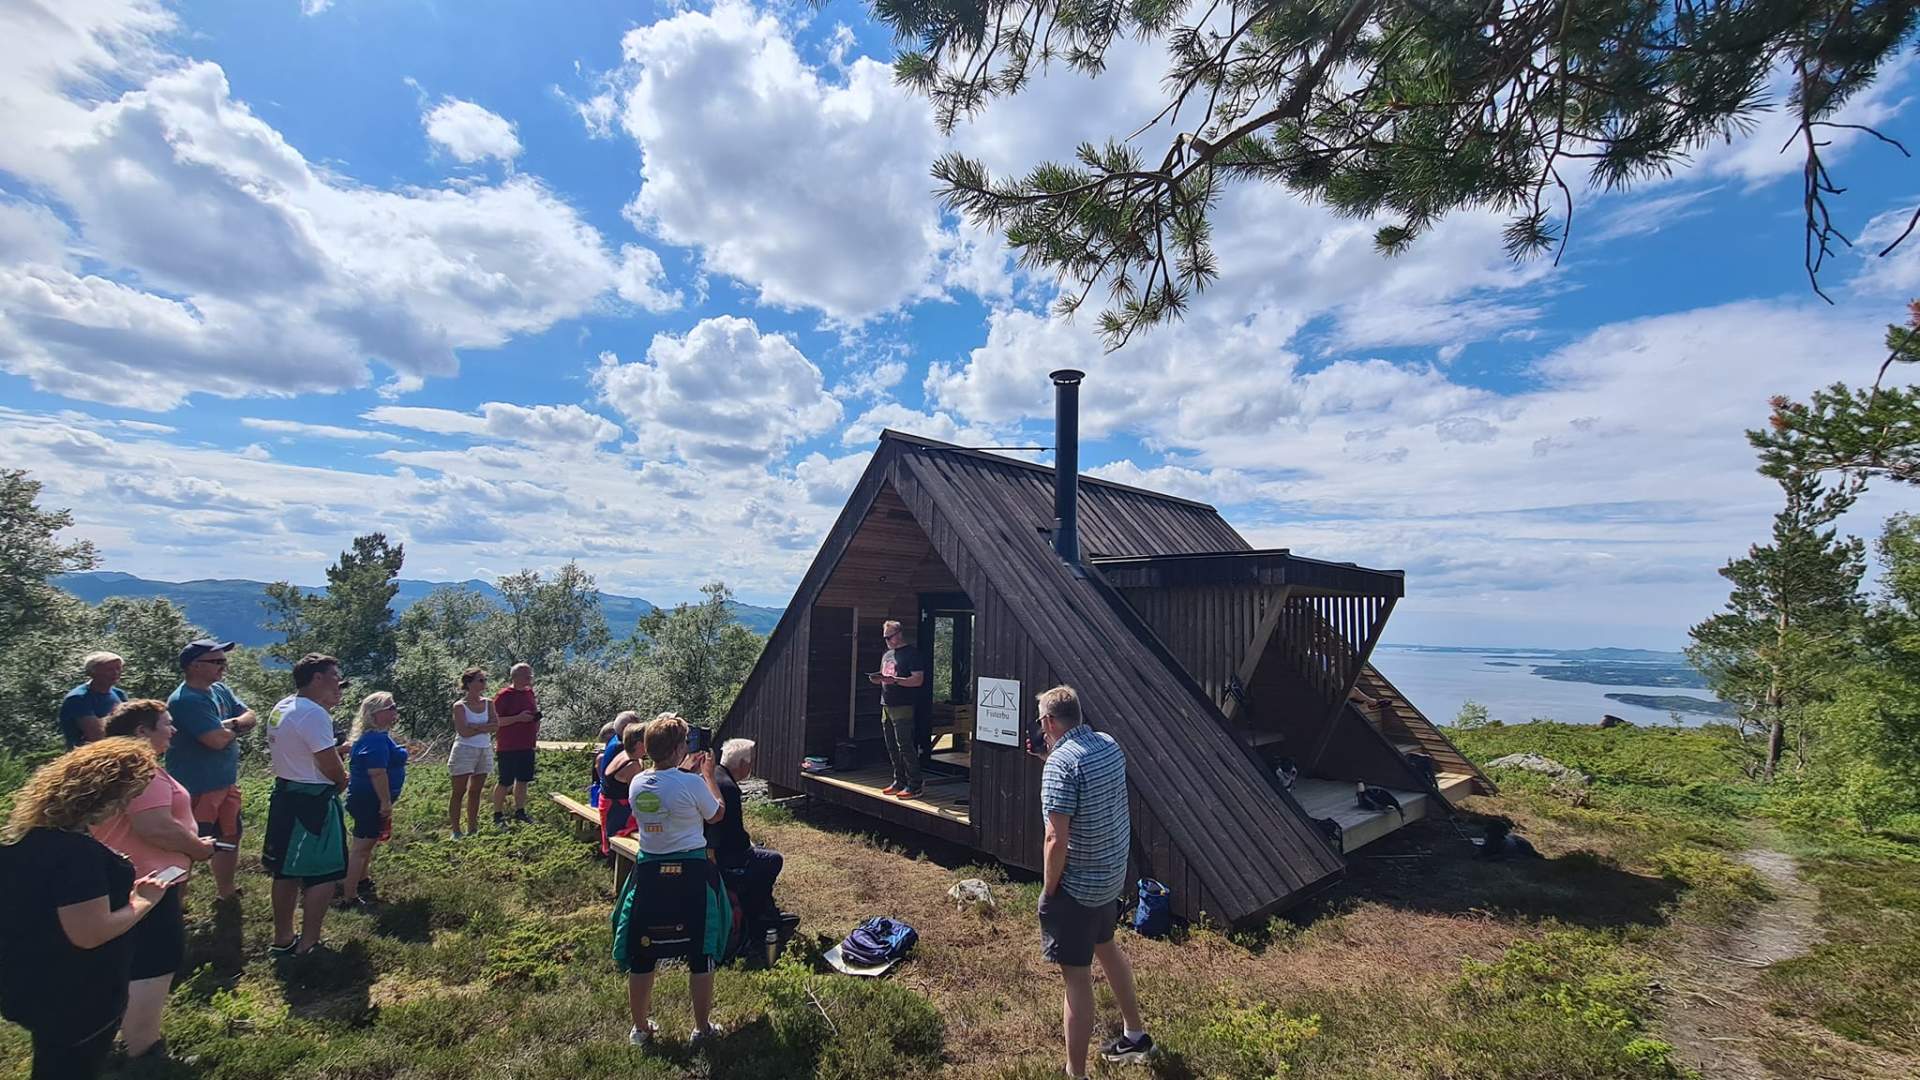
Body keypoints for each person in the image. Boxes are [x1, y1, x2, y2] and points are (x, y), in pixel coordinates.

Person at [0, 739, 182, 1080]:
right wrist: (143, 900)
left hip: (28, 978)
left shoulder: (21, 840)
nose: (127, 805)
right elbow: (89, 933)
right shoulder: (77, 855)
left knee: (52, 1060)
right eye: (128, 795)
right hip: (78, 994)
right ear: (107, 795)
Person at [1035, 685, 1152, 1078]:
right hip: (1110, 875)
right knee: (1106, 946)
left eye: (1041, 722)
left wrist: (1050, 890)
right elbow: (1090, 792)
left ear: (1050, 721)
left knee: (1076, 979)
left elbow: (1056, 839)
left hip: (1077, 887)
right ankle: (1135, 1034)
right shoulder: (1107, 744)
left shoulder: (1060, 764)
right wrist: (1049, 760)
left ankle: (1075, 1073)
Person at [92, 700, 215, 1063]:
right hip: (151, 881)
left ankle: (115, 1040)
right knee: (154, 962)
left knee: (126, 963)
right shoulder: (140, 770)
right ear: (142, 732)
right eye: (167, 724)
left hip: (124, 877)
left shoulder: (112, 766)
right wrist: (199, 849)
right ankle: (145, 1053)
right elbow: (154, 826)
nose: (173, 731)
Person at [621, 713, 727, 1048]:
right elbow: (716, 813)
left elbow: (666, 787)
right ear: (679, 748)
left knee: (643, 950)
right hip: (691, 871)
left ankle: (640, 1028)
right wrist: (708, 776)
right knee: (700, 949)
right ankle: (702, 1027)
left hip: (649, 872)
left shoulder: (638, 781)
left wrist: (687, 775)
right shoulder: (692, 783)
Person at [261, 653, 350, 956]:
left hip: (285, 790)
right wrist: (341, 779)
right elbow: (327, 761)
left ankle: (283, 938)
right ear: (317, 679)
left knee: (285, 870)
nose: (340, 684)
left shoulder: (282, 706)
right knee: (322, 873)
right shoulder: (314, 713)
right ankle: (310, 943)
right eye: (335, 677)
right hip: (312, 799)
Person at [166, 639, 257, 901]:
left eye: (223, 660)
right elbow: (215, 741)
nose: (224, 666)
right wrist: (233, 727)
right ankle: (174, 903)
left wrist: (227, 725)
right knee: (188, 844)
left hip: (224, 782)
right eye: (216, 661)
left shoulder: (219, 689)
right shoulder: (186, 700)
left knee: (229, 836)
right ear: (194, 666)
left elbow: (250, 716)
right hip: (195, 787)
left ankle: (226, 891)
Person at [341, 692, 411, 908]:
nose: (394, 711)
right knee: (361, 848)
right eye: (390, 708)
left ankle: (362, 881)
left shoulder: (376, 736)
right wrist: (385, 802)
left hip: (365, 799)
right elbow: (377, 773)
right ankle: (349, 896)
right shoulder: (376, 739)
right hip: (370, 800)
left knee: (367, 843)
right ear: (375, 714)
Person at [708, 738, 785, 928]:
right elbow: (736, 839)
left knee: (758, 851)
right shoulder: (729, 788)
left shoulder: (714, 775)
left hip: (712, 848)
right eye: (751, 762)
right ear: (743, 764)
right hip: (726, 856)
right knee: (773, 859)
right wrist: (750, 846)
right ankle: (755, 911)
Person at [868, 620, 925, 799]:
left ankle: (915, 784)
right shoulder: (887, 654)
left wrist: (897, 681)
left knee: (905, 745)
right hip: (886, 704)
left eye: (889, 637)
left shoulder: (912, 654)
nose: (886, 640)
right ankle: (898, 780)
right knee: (891, 746)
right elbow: (885, 676)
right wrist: (878, 679)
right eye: (884, 637)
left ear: (899, 634)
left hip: (903, 705)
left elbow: (918, 680)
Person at [448, 668, 497, 839]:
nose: (484, 684)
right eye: (480, 680)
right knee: (459, 791)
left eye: (484, 680)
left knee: (476, 790)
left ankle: (473, 829)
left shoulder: (489, 703)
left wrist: (476, 727)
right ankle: (455, 830)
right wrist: (484, 728)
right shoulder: (459, 706)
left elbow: (495, 725)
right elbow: (463, 732)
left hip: (484, 749)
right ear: (469, 683)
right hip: (464, 750)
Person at [491, 662, 541, 826]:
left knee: (523, 780)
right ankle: (497, 814)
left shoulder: (529, 693)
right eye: (527, 675)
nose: (530, 678)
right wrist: (518, 718)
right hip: (508, 746)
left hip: (527, 744)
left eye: (530, 675)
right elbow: (495, 722)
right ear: (515, 676)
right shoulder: (504, 695)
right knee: (505, 781)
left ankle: (520, 811)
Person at [58, 651, 127, 749]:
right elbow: (96, 736)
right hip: (89, 757)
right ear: (93, 672)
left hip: (117, 751)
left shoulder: (119, 694)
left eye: (118, 668)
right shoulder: (78, 698)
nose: (115, 673)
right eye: (109, 669)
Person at [600, 721, 647, 855]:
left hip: (608, 802)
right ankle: (615, 859)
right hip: (616, 809)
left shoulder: (624, 754)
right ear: (639, 744)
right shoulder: (632, 765)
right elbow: (638, 795)